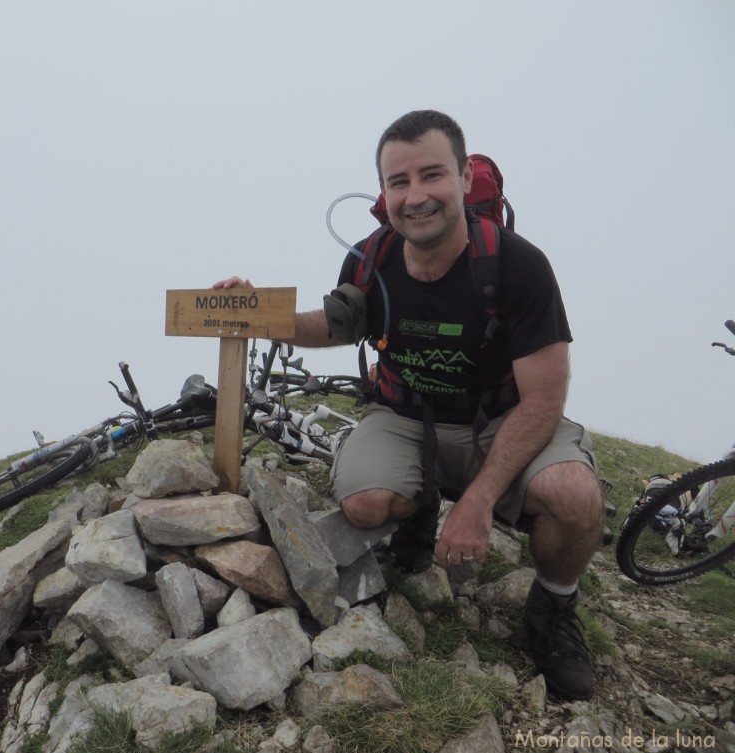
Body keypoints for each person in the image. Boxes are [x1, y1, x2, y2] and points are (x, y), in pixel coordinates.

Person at [215, 110, 604, 702]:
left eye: (432, 175)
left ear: (464, 178)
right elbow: (338, 325)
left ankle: (553, 608)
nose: (415, 196)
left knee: (574, 498)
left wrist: (476, 501)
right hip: (404, 415)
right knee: (365, 503)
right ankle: (419, 504)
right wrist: (255, 313)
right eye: (399, 182)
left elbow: (545, 397)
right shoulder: (372, 258)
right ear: (383, 191)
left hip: (501, 419)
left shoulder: (517, 266)